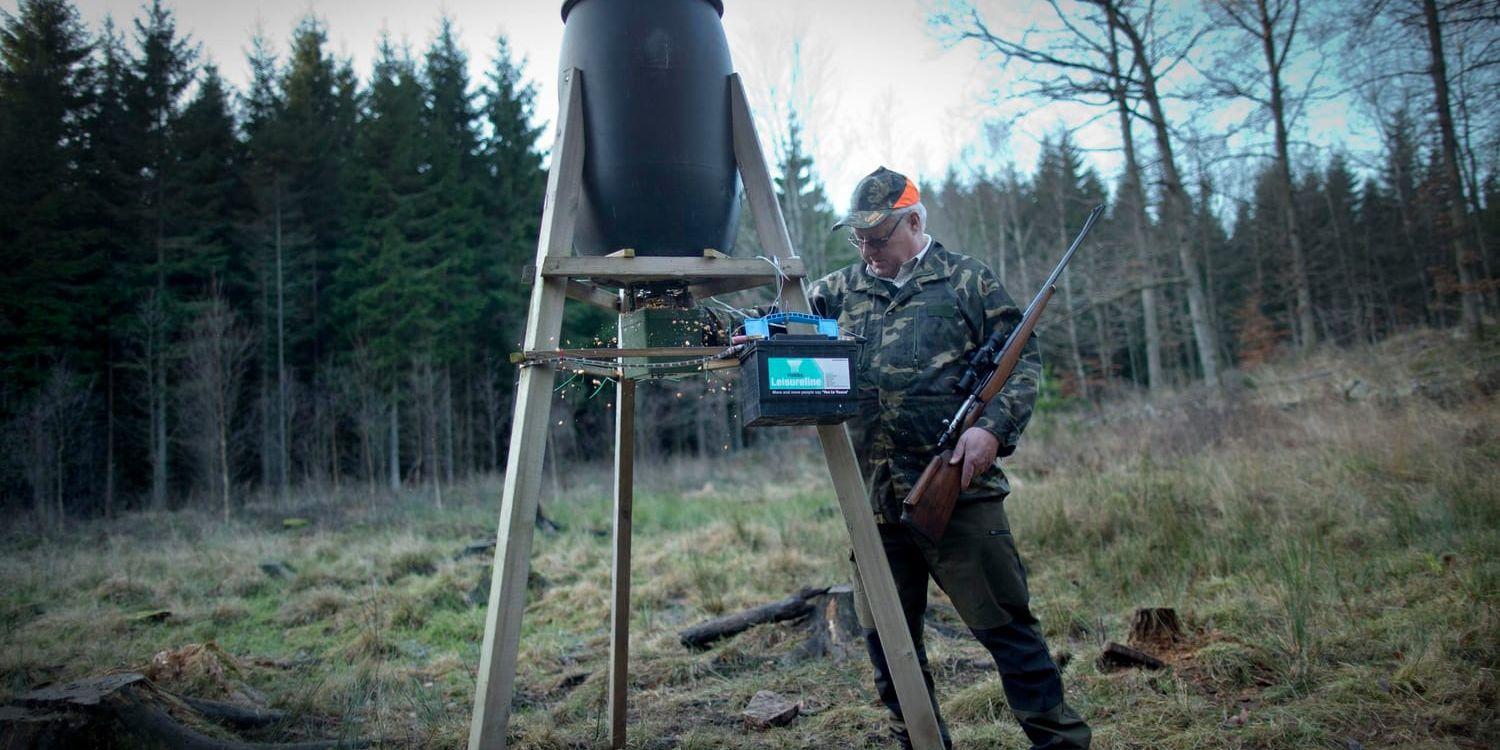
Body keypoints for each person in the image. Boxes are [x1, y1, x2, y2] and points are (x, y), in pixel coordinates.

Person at [808, 166, 1090, 749]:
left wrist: (991, 429)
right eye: (857, 238)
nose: (866, 250)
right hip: (875, 502)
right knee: (889, 644)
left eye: (878, 237)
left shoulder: (968, 282)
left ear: (913, 221)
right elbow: (780, 334)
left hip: (959, 491)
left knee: (1008, 632)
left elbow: (1021, 360)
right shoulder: (834, 292)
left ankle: (1059, 743)